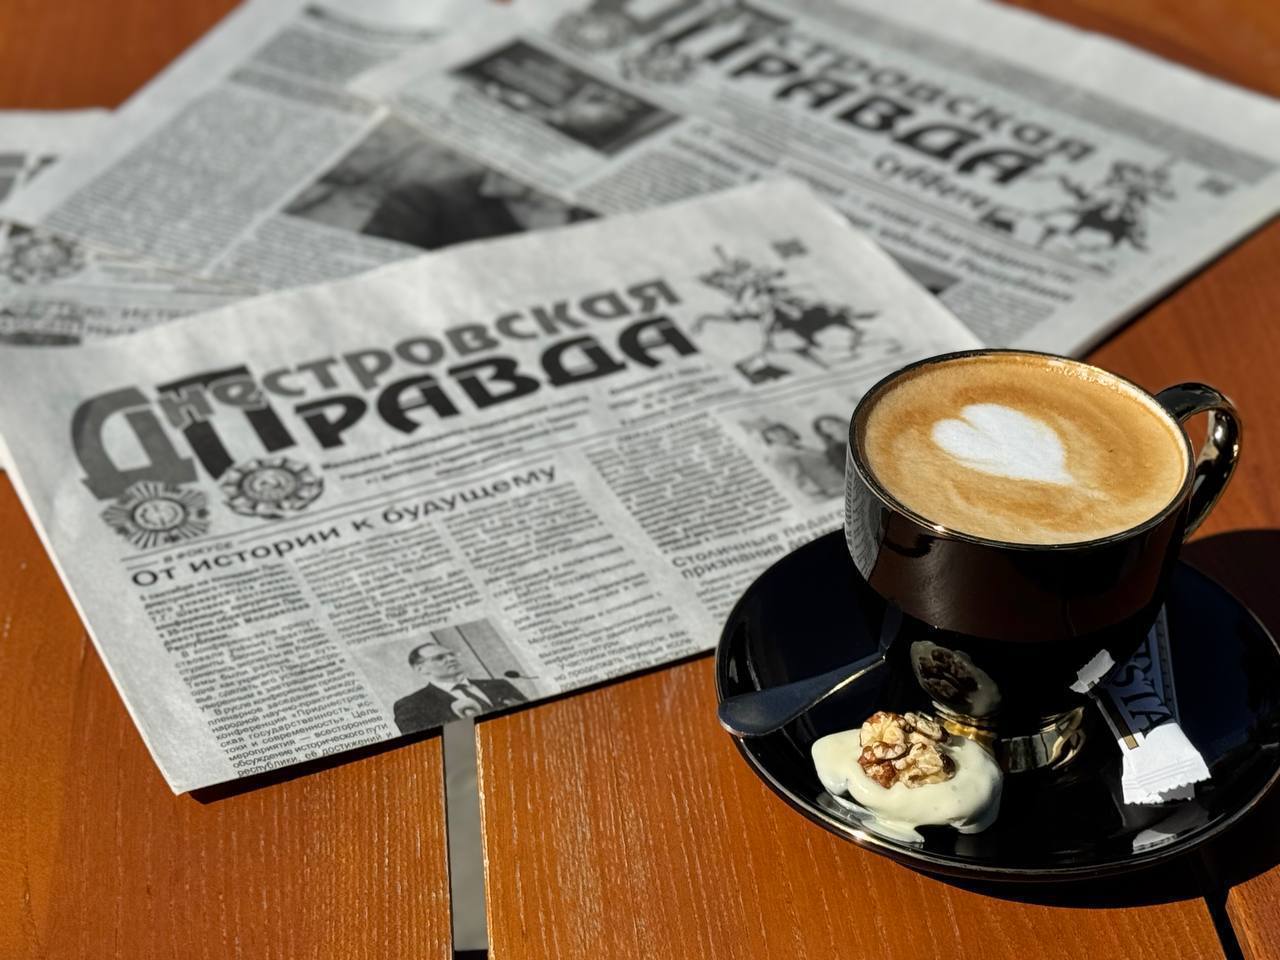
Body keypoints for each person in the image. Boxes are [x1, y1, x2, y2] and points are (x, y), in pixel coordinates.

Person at [392, 639, 527, 734]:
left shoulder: (499, 685)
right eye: (439, 658)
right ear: (421, 669)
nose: (451, 659)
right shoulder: (411, 705)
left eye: (451, 654)